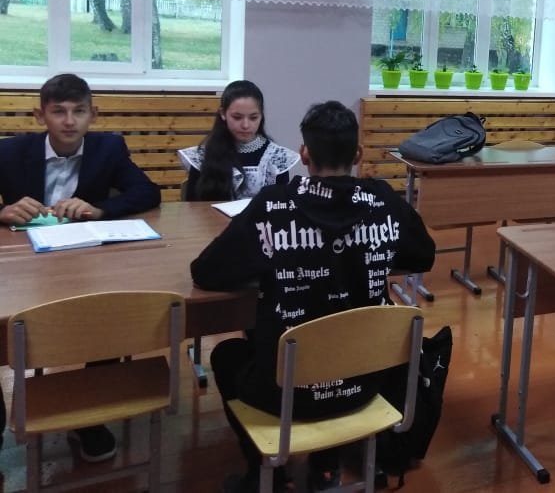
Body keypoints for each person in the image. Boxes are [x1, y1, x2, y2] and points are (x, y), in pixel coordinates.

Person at [191, 100, 436, 493]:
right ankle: (326, 466)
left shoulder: (273, 205)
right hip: (365, 381)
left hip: (284, 392)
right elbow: (423, 254)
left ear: (304, 154)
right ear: (358, 155)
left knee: (227, 355)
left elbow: (206, 272)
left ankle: (265, 473)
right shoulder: (385, 201)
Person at [0, 73, 161, 462]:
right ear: (40, 115)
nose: (69, 121)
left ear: (94, 114)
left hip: (86, 263)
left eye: (79, 111)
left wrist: (100, 209)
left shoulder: (109, 148)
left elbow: (147, 191)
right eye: (59, 111)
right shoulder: (9, 152)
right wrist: (2, 211)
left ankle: (90, 418)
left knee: (112, 312)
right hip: (25, 266)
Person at [178, 80, 300, 201]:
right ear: (223, 113)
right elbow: (192, 207)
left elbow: (281, 206)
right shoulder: (202, 156)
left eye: (253, 118)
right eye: (237, 117)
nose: (245, 125)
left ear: (261, 116)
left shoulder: (276, 158)